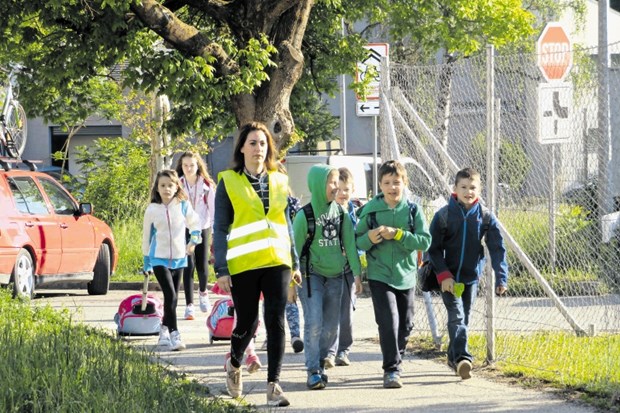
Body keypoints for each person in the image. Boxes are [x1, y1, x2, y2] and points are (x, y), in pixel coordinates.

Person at [213, 121, 301, 407]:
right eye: (252, 143)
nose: (258, 148)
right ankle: (235, 363)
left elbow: (286, 223)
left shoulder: (280, 179)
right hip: (244, 264)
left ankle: (274, 385)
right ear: (242, 148)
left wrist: (295, 261)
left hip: (277, 260)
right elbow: (220, 228)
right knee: (248, 323)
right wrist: (222, 270)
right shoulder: (228, 181)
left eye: (263, 143)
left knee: (276, 320)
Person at [356, 160, 431, 388]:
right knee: (388, 321)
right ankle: (391, 369)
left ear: (404, 183)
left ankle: (395, 358)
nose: (392, 188)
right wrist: (370, 238)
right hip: (379, 275)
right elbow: (356, 241)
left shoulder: (412, 210)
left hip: (406, 275)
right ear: (380, 185)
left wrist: (398, 235)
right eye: (387, 183)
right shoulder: (370, 211)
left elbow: (425, 241)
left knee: (405, 324)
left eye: (396, 182)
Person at [427, 167, 508, 380]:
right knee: (457, 316)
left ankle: (453, 357)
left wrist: (501, 276)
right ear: (455, 189)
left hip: (471, 278)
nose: (468, 191)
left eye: (472, 187)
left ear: (479, 190)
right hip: (448, 279)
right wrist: (443, 274)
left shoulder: (485, 217)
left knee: (464, 318)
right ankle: (464, 358)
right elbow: (433, 249)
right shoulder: (443, 215)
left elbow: (497, 248)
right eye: (463, 187)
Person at [293, 164, 362, 390]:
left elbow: (350, 245)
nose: (336, 187)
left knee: (331, 326)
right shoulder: (304, 216)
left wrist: (358, 274)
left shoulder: (341, 213)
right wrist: (290, 284)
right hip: (311, 276)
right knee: (314, 323)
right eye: (331, 183)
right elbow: (293, 251)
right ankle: (312, 370)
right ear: (317, 185)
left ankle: (322, 363)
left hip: (336, 275)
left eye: (337, 183)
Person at [142, 169, 201, 352]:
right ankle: (175, 334)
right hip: (158, 258)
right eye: (162, 185)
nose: (166, 188)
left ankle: (163, 330)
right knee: (171, 296)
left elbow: (195, 224)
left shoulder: (183, 205)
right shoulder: (152, 209)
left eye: (170, 185)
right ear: (157, 188)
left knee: (172, 300)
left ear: (177, 186)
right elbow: (146, 236)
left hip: (179, 258)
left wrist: (193, 241)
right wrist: (146, 261)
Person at [324, 167, 361, 368]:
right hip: (328, 268)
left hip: (348, 269)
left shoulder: (355, 213)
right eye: (338, 189)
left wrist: (355, 253)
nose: (342, 194)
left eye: (346, 189)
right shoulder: (326, 211)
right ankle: (329, 350)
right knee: (330, 311)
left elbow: (360, 239)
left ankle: (343, 350)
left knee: (346, 312)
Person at [175, 151, 216, 320]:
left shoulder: (206, 185)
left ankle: (203, 292)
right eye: (185, 165)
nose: (188, 168)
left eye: (192, 165)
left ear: (198, 165)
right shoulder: (178, 184)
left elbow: (213, 210)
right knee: (187, 265)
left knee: (202, 264)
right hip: (185, 228)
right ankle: (189, 305)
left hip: (202, 226)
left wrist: (213, 232)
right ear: (181, 166)